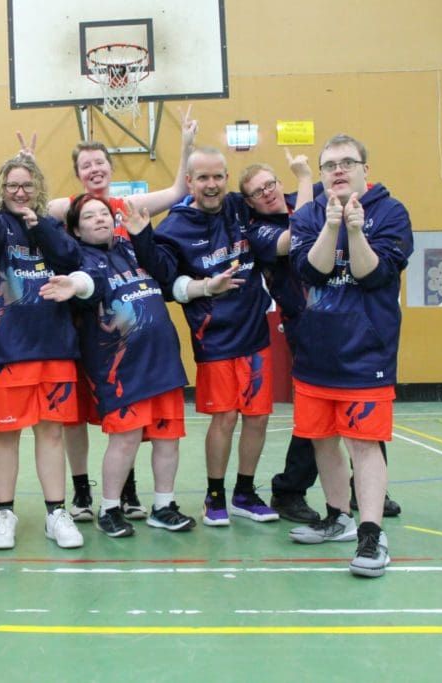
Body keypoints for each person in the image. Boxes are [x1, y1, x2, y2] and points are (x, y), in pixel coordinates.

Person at [18, 107, 198, 522]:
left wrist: (186, 146)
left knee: (135, 425)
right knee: (85, 419)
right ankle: (86, 492)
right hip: (89, 327)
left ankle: (132, 494)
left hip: (137, 332)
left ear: (110, 166)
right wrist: (29, 168)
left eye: (100, 161)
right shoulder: (68, 209)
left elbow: (176, 192)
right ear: (78, 173)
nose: (94, 169)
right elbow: (35, 210)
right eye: (86, 164)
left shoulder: (127, 208)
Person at [42, 196, 240, 537]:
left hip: (163, 362)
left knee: (168, 439)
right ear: (75, 230)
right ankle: (109, 508)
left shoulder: (134, 249)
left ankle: (163, 506)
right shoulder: (82, 258)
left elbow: (169, 280)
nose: (100, 219)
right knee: (125, 440)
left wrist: (205, 285)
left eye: (104, 213)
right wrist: (73, 285)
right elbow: (87, 282)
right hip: (121, 369)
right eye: (89, 217)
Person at [234, 159, 402, 524]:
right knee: (315, 421)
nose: (268, 193)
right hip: (306, 326)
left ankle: (366, 489)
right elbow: (299, 235)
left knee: (364, 414)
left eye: (271, 184)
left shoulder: (308, 203)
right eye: (258, 192)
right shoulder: (260, 230)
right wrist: (306, 176)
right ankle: (290, 489)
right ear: (249, 202)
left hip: (350, 324)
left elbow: (343, 193)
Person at [133, 146, 290, 529]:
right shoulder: (173, 228)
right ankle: (214, 496)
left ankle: (244, 493)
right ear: (189, 182)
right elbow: (166, 282)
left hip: (255, 334)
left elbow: (278, 213)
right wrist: (142, 236)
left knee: (258, 417)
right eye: (203, 177)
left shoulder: (240, 207)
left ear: (226, 178)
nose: (211, 184)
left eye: (218, 176)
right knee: (225, 417)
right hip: (214, 339)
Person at [285, 134, 413, 579]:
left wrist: (355, 231)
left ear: (364, 170)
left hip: (365, 355)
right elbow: (310, 271)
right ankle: (338, 516)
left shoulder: (391, 213)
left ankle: (371, 534)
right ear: (321, 174)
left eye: (347, 162)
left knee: (363, 444)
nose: (338, 170)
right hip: (315, 353)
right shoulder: (307, 215)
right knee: (322, 440)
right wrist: (331, 226)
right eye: (329, 165)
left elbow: (373, 275)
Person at [0, 156, 84, 550]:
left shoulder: (49, 226)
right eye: (12, 185)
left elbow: (72, 258)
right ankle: (4, 513)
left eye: (27, 185)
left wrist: (40, 225)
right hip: (5, 349)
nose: (19, 192)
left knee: (51, 432)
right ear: (1, 189)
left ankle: (56, 513)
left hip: (54, 347)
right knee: (5, 434)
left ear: (38, 189)